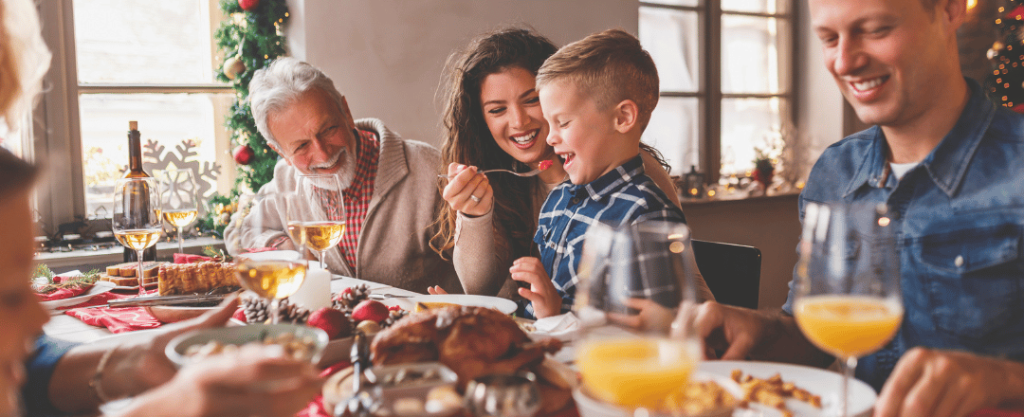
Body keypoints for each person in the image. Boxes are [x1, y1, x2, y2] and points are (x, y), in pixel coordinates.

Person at [693, 0, 1024, 415]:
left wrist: (1002, 381)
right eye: (829, 38)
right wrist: (758, 330)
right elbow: (814, 337)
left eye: (876, 29)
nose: (845, 61)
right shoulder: (835, 172)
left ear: (950, 10)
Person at [429, 27, 687, 302]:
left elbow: (678, 296)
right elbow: (483, 290)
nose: (518, 122)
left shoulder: (632, 183)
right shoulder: (530, 189)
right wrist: (474, 217)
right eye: (497, 110)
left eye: (532, 100)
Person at [495, 28, 710, 319]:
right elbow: (533, 305)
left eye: (564, 123)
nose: (550, 138)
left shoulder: (647, 218)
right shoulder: (557, 200)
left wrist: (554, 316)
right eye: (549, 123)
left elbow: (649, 338)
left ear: (622, 118)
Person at [224, 57, 462, 294]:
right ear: (280, 151)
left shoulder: (431, 169)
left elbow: (484, 272)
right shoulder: (286, 179)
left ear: (346, 112)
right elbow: (238, 232)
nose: (322, 153)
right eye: (301, 147)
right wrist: (283, 246)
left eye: (328, 129)